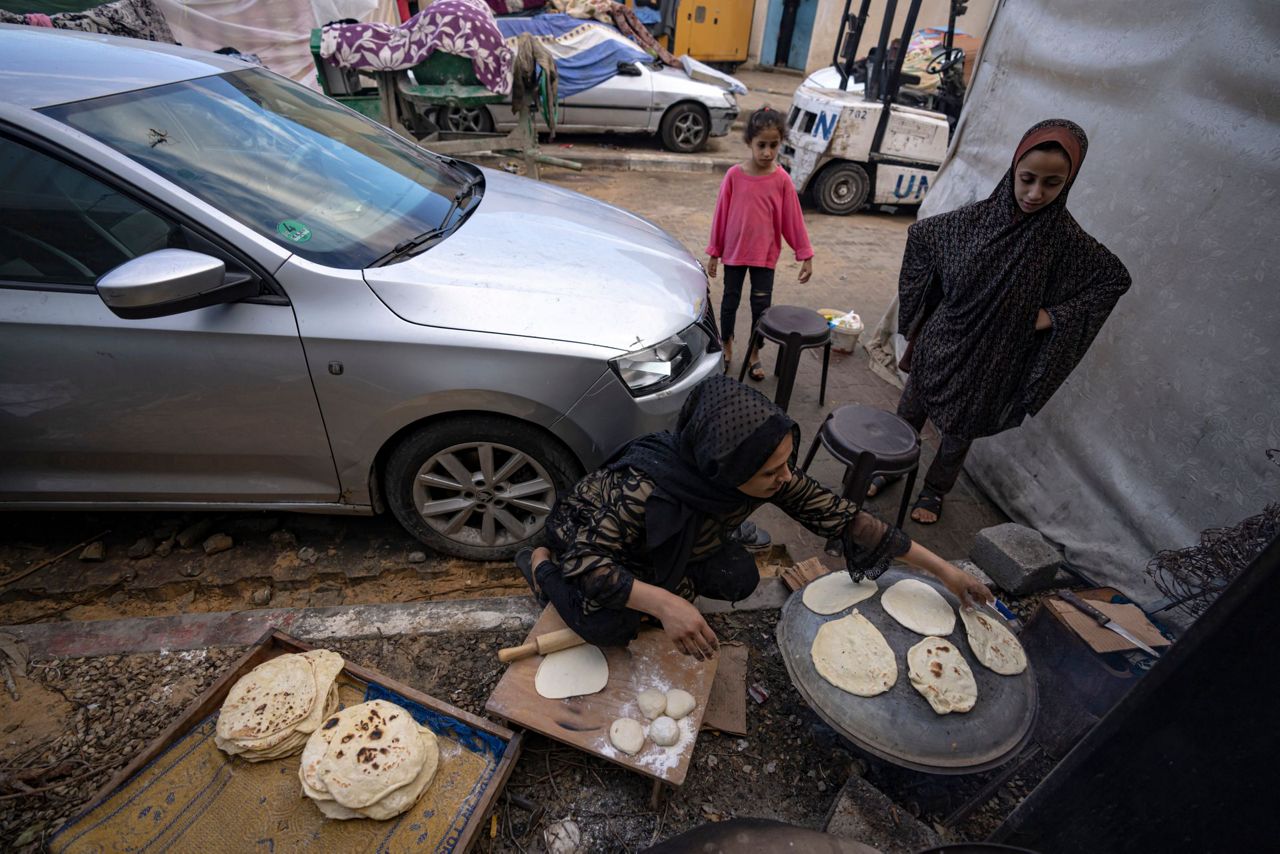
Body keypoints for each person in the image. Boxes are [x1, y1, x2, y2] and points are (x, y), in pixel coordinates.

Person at [516, 375, 992, 658]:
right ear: (725, 469)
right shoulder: (641, 489)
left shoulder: (759, 473)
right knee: (609, 629)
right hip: (591, 549)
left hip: (674, 540)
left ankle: (676, 575)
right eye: (771, 471)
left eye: (788, 461)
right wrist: (663, 604)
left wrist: (947, 571)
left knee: (739, 577)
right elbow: (588, 561)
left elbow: (849, 520)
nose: (786, 477)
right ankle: (537, 567)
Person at [872, 118, 1131, 525]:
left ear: (1069, 182)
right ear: (1012, 169)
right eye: (1026, 178)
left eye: (1051, 183)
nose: (1034, 193)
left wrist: (1054, 316)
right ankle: (888, 465)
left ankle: (934, 492)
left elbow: (1114, 279)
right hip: (944, 339)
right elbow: (923, 236)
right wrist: (924, 302)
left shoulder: (1064, 240)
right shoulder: (973, 221)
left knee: (960, 432)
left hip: (996, 357)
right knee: (910, 411)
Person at [706, 107, 814, 383]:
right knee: (729, 301)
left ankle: (755, 352)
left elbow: (793, 220)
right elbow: (721, 215)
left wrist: (805, 254)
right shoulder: (734, 176)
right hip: (733, 253)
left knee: (761, 307)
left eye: (773, 145)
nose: (767, 152)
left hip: (764, 256)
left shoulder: (781, 181)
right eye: (761, 145)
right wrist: (714, 252)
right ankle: (727, 346)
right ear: (749, 143)